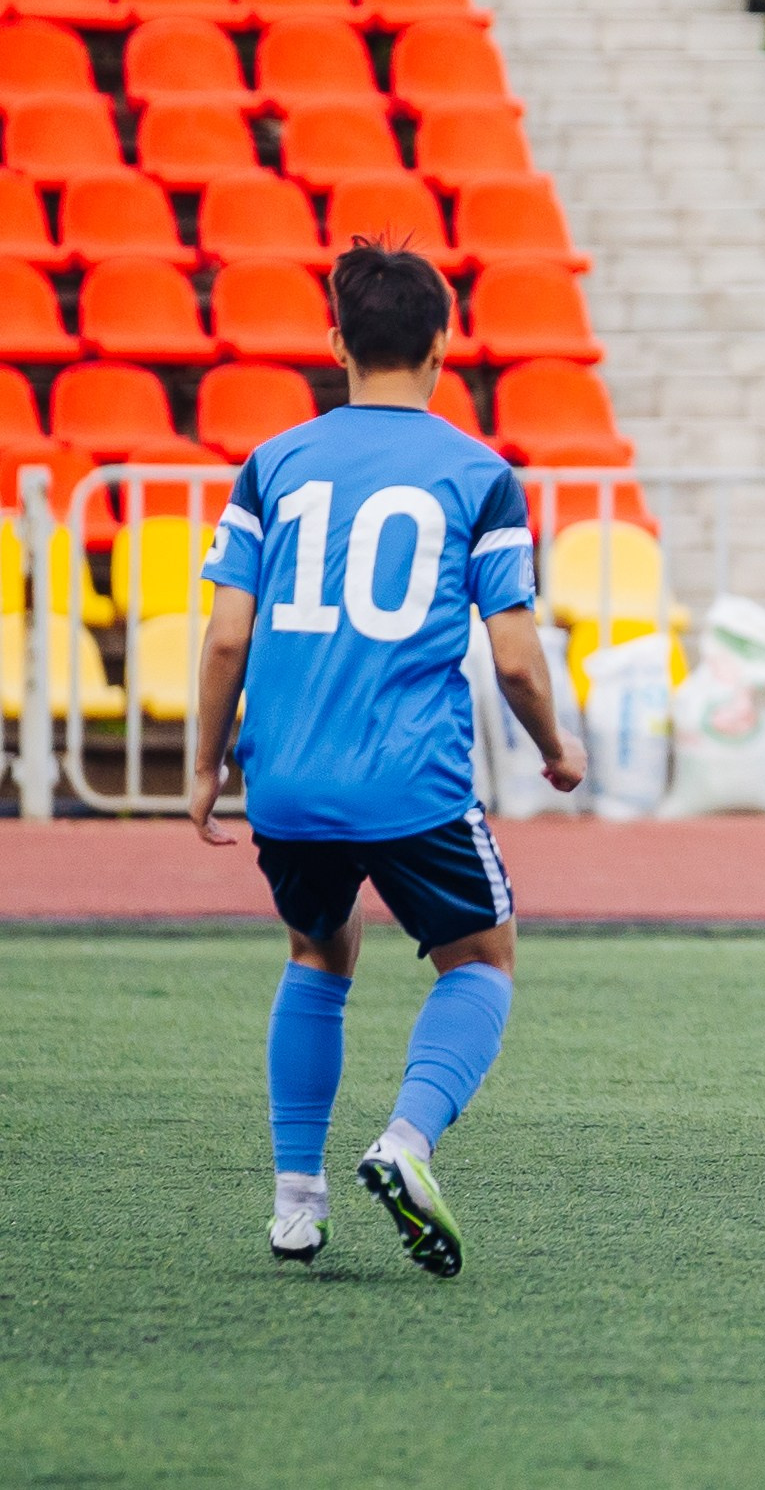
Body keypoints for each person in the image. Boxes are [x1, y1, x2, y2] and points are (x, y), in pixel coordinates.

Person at [189, 239, 588, 1276]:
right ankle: (405, 1142)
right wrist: (556, 747)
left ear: (335, 343)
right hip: (409, 779)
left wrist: (201, 767)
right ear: (442, 345)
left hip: (286, 778)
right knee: (482, 958)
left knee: (317, 952)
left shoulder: (273, 463)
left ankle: (294, 1202)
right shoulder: (477, 473)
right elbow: (512, 655)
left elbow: (226, 636)